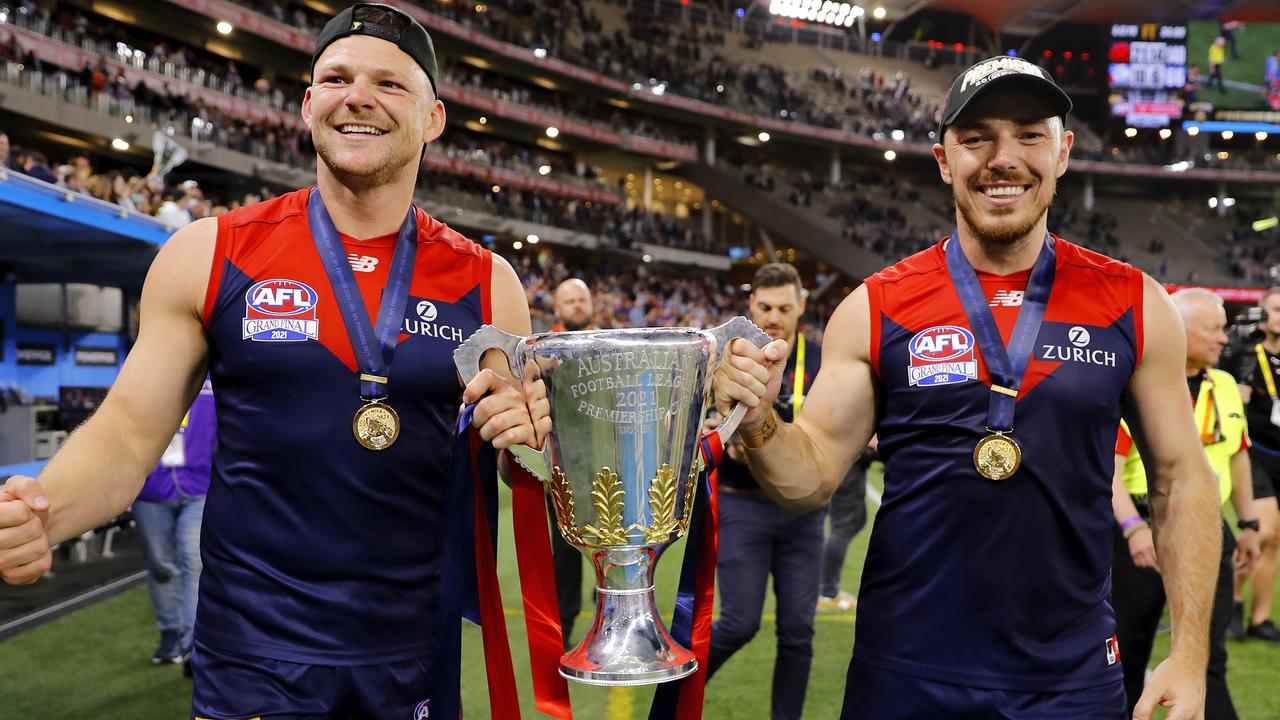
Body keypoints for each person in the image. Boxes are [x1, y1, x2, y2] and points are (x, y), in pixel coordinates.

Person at [0, 4, 549, 718]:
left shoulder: (487, 284)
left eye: (389, 83)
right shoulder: (211, 253)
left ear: (434, 118)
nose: (359, 96)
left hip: (411, 653)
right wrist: (46, 512)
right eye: (337, 77)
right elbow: (130, 433)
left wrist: (537, 432)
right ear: (307, 103)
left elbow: (521, 462)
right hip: (251, 658)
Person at [714, 55, 1223, 720]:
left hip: (1070, 682)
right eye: (977, 136)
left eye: (1029, 135)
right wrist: (756, 418)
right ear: (943, 159)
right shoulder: (876, 307)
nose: (1003, 158)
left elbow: (1182, 479)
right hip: (905, 674)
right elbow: (808, 478)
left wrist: (1189, 656)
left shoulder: (1134, 302)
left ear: (1063, 151)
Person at [1110, 288, 1261, 720]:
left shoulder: (1226, 385)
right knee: (1127, 651)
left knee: (1207, 654)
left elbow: (1239, 454)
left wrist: (1247, 523)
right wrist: (1132, 529)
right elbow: (1110, 469)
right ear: (1179, 329)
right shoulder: (1137, 381)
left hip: (1206, 530)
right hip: (1138, 533)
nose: (1223, 339)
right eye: (1213, 328)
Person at [706, 262, 823, 720]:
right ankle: (680, 694)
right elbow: (702, 421)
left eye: (784, 308)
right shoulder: (729, 356)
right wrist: (725, 438)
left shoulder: (821, 358)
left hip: (804, 511)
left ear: (801, 306)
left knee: (798, 632)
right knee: (738, 624)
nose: (774, 317)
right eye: (765, 307)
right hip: (743, 504)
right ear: (751, 304)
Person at [133, 377, 215, 667]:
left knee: (194, 562)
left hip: (201, 488)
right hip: (151, 491)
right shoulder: (141, 375)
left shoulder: (213, 381)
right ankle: (170, 633)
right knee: (161, 566)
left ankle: (193, 641)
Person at [546, 277, 596, 646]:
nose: (577, 305)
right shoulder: (541, 353)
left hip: (606, 463)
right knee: (564, 550)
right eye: (570, 301)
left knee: (616, 540)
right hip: (562, 468)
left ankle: (614, 611)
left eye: (582, 299)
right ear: (557, 308)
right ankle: (562, 631)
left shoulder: (609, 347)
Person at [1231, 287, 1280, 642]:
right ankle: (1232, 601)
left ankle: (1260, 619)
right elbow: (1238, 408)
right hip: (1256, 453)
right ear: (1262, 313)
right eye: (1276, 309)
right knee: (1262, 531)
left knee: (1275, 540)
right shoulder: (1249, 352)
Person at [816, 444, 872, 612]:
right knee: (842, 527)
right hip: (845, 458)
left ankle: (826, 590)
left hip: (849, 458)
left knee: (858, 520)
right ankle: (827, 593)